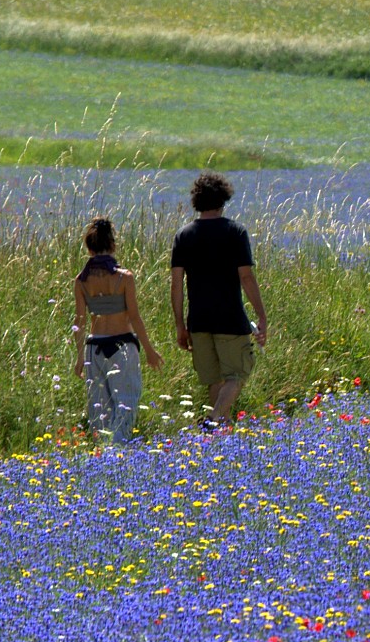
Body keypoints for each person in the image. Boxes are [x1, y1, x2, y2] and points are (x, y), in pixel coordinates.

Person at [170, 172, 267, 427]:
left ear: (196, 201)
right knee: (237, 374)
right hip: (230, 318)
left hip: (199, 320)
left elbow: (176, 284)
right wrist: (262, 315)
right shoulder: (235, 232)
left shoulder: (184, 235)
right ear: (223, 200)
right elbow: (246, 277)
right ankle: (213, 421)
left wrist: (180, 324)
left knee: (215, 379)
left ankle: (218, 437)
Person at [73, 218, 160, 447]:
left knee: (98, 407)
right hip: (122, 345)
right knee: (126, 402)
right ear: (113, 244)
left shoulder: (81, 281)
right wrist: (149, 350)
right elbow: (134, 317)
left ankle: (102, 451)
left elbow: (79, 322)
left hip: (94, 347)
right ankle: (118, 452)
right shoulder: (124, 278)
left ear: (89, 247)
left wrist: (80, 356)